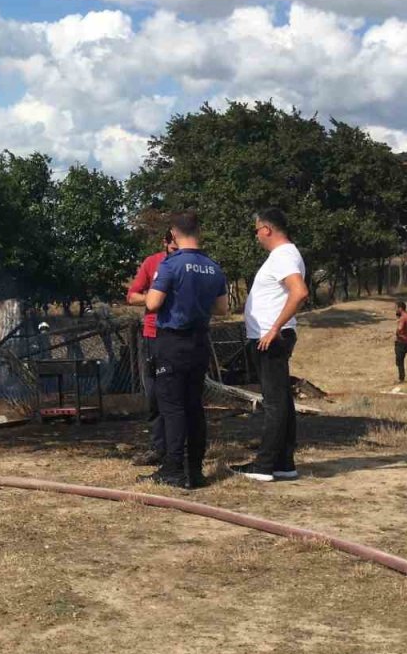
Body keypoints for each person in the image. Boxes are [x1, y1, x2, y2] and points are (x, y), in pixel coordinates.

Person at [141, 211, 229, 489]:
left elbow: (153, 303)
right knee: (194, 406)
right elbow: (223, 308)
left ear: (174, 233)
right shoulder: (213, 267)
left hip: (173, 342)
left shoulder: (171, 264)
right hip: (200, 342)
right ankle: (196, 471)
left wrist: (151, 295)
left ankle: (173, 470)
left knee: (172, 408)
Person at [231, 208, 309, 483]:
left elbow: (300, 292)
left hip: (271, 338)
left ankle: (263, 466)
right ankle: (283, 463)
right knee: (282, 400)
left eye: (256, 231)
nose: (256, 237)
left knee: (274, 403)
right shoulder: (285, 255)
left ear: (266, 229)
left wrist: (274, 328)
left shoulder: (283, 255)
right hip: (272, 336)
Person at [125, 229, 178, 466]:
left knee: (179, 395)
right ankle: (158, 448)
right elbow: (132, 296)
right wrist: (156, 297)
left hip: (179, 336)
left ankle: (180, 448)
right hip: (153, 335)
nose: (176, 248)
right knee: (154, 395)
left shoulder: (189, 263)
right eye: (172, 244)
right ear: (164, 242)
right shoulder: (152, 262)